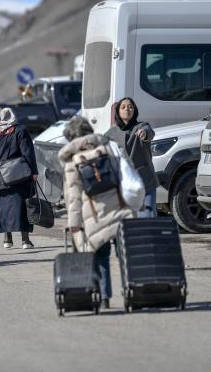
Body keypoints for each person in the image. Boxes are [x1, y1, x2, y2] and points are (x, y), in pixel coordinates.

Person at [58, 116, 136, 309]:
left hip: (93, 217)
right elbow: (127, 174)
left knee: (100, 256)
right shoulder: (109, 147)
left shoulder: (72, 161)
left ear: (71, 138)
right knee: (125, 255)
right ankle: (132, 292)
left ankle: (104, 298)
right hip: (120, 210)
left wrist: (73, 225)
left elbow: (74, 199)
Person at [0, 108, 37, 249]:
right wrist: (34, 171)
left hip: (0, 178)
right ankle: (25, 241)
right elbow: (28, 152)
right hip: (19, 177)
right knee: (23, 207)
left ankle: (7, 240)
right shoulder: (20, 131)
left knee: (4, 208)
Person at [105, 97, 159, 217]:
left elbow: (149, 132)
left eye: (130, 107)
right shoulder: (111, 132)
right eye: (123, 107)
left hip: (144, 181)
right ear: (118, 111)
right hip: (123, 183)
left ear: (134, 110)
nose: (127, 109)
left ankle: (153, 233)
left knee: (146, 215)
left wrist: (144, 134)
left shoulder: (141, 126)